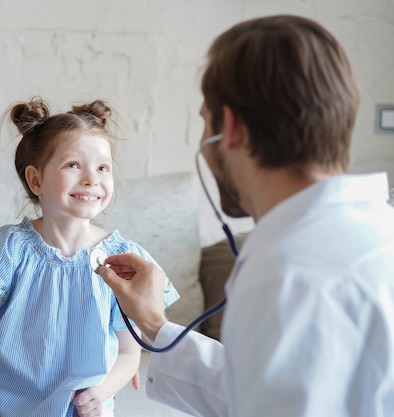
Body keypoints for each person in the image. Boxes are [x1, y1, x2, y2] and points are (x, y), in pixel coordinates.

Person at [98, 14, 394, 417]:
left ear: (231, 128)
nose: (202, 141)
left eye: (205, 120)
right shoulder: (372, 235)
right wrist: (154, 324)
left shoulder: (289, 273)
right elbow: (253, 390)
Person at [0, 97, 180, 417]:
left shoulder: (124, 261)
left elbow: (127, 353)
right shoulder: (5, 249)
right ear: (35, 180)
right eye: (73, 165)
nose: (92, 178)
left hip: (83, 406)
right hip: (7, 402)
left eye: (103, 167)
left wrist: (100, 393)